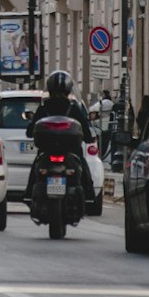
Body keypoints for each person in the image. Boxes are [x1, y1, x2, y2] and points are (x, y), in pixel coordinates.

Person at [24, 70, 95, 205]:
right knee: (83, 167)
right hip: (71, 151)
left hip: (47, 151)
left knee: (36, 168)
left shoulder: (44, 108)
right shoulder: (73, 108)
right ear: (69, 90)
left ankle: (28, 193)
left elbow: (30, 130)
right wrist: (89, 138)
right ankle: (89, 194)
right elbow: (85, 130)